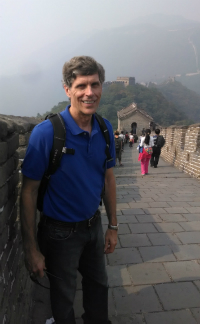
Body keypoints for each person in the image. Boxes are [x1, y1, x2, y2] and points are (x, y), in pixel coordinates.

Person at [20, 56, 118, 324]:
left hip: (93, 225)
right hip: (59, 232)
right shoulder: (47, 134)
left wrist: (113, 226)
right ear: (67, 89)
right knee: (63, 298)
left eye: (95, 84)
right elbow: (28, 192)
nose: (90, 93)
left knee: (99, 287)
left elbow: (109, 179)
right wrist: (31, 248)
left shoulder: (105, 128)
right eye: (82, 85)